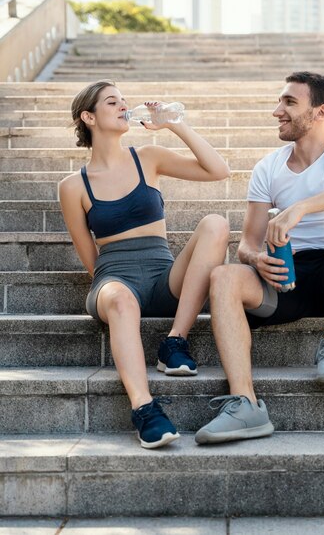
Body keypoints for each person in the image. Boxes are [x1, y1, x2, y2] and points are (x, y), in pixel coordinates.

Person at [195, 71, 324, 445]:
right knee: (223, 276)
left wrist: (299, 208)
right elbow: (247, 243)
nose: (276, 111)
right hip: (287, 276)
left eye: (288, 102)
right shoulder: (268, 167)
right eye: (280, 102)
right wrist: (255, 259)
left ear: (319, 112)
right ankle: (245, 404)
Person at [59, 80, 230, 449]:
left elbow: (218, 171)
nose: (123, 106)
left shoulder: (148, 157)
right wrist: (114, 291)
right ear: (88, 116)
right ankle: (145, 410)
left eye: (124, 100)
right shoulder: (73, 185)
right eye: (111, 102)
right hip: (116, 280)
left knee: (216, 224)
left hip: (163, 277)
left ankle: (175, 341)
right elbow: (88, 253)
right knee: (120, 300)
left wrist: (173, 124)